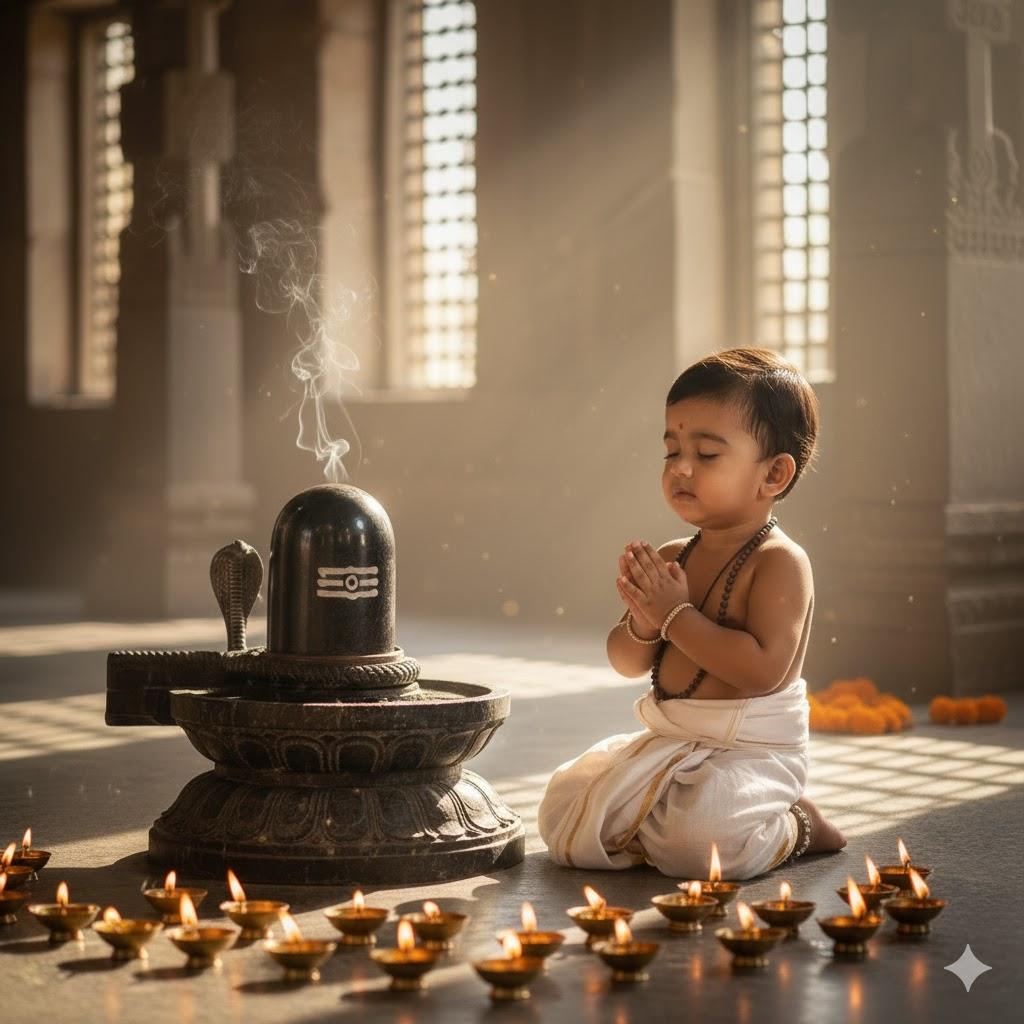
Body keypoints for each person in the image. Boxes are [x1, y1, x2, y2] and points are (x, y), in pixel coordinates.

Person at [537, 347, 847, 880]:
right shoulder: (673, 557)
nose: (681, 467)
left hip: (747, 753)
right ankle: (659, 827)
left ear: (773, 474)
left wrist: (675, 613)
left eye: (706, 455)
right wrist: (644, 620)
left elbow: (761, 671)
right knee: (563, 806)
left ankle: (796, 824)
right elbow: (626, 662)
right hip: (673, 742)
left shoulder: (780, 564)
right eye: (671, 450)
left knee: (697, 846)